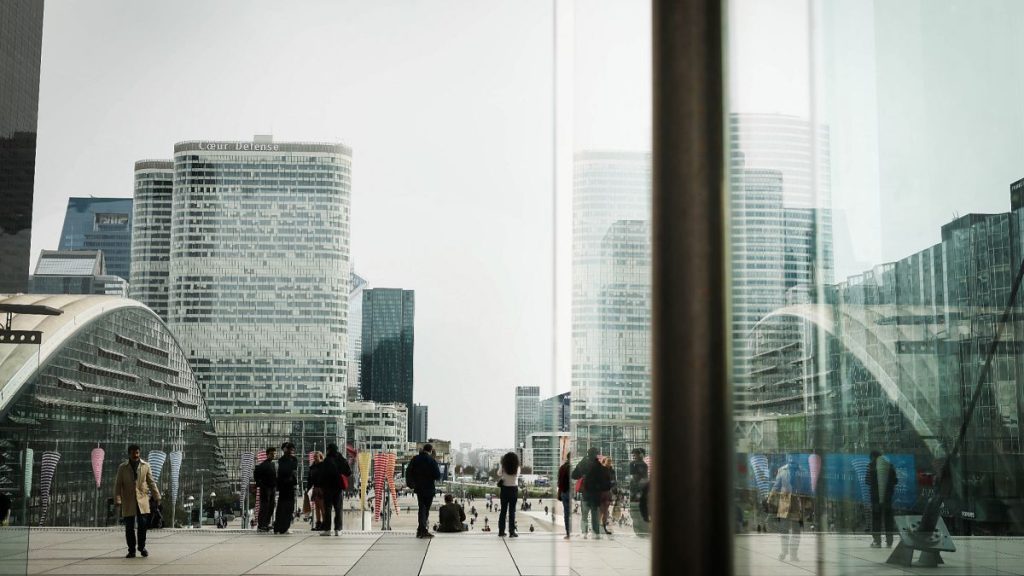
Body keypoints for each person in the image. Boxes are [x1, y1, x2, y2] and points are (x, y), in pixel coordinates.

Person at [114, 444, 160, 558]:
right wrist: (118, 499)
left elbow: (151, 482)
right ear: (129, 454)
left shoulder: (145, 466)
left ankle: (142, 547)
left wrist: (157, 496)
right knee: (129, 527)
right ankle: (131, 550)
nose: (136, 455)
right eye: (133, 453)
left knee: (143, 526)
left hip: (142, 499)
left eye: (137, 453)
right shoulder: (122, 467)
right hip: (128, 500)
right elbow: (118, 485)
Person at [767, 455, 811, 562]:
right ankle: (783, 551)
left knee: (796, 530)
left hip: (797, 503)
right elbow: (776, 486)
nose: (792, 458)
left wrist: (808, 503)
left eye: (794, 456)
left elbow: (807, 489)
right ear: (788, 457)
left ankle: (793, 554)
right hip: (784, 502)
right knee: (784, 529)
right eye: (790, 456)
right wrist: (770, 499)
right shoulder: (782, 470)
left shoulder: (802, 471)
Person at [572, 447, 609, 539]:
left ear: (588, 454)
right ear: (596, 454)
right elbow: (605, 482)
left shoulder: (583, 464)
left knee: (584, 515)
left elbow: (574, 475)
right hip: (596, 495)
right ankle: (595, 533)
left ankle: (584, 533)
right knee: (595, 514)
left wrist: (583, 474)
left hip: (586, 493)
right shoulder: (599, 466)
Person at [406, 443, 441, 539]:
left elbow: (408, 472)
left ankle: (420, 529)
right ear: (430, 450)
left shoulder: (415, 459)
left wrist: (411, 483)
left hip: (419, 487)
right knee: (425, 509)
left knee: (422, 508)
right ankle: (422, 530)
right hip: (429, 488)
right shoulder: (431, 461)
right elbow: (437, 475)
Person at [867, 450, 898, 548]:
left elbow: (867, 480)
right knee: (888, 519)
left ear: (872, 457)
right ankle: (889, 541)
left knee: (876, 518)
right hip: (888, 498)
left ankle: (877, 541)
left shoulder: (871, 466)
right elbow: (895, 480)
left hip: (876, 498)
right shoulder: (890, 465)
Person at [319, 443, 352, 536]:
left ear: (329, 450)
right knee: (338, 508)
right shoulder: (341, 459)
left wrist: (321, 486)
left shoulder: (327, 460)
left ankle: (327, 530)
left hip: (328, 488)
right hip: (338, 487)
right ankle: (338, 529)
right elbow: (349, 472)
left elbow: (322, 475)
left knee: (328, 508)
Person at [273, 442, 298, 534]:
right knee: (286, 507)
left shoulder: (283, 460)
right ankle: (283, 527)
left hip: (285, 485)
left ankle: (279, 527)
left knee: (282, 507)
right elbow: (292, 471)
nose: (291, 451)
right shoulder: (291, 459)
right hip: (288, 485)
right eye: (289, 449)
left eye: (292, 449)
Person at [253, 447, 277, 533]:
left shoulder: (273, 465)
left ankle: (265, 524)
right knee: (265, 506)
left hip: (272, 488)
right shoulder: (263, 465)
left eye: (274, 454)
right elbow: (256, 474)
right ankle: (261, 525)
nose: (273, 455)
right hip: (266, 488)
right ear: (267, 454)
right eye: (271, 454)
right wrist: (260, 484)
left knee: (271, 506)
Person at [497, 451, 520, 538]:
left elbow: (498, 473)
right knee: (512, 512)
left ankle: (501, 531)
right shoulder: (517, 468)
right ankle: (511, 531)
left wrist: (501, 465)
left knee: (503, 511)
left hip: (504, 490)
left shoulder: (503, 467)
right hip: (513, 489)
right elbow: (517, 475)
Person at [628, 448, 650, 535]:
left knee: (636, 508)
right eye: (634, 455)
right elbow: (640, 476)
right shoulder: (640, 464)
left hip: (638, 488)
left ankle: (639, 529)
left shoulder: (637, 464)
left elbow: (636, 476)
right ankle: (641, 529)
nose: (634, 456)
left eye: (635, 454)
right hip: (640, 488)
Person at [308, 451, 325, 531]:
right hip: (316, 488)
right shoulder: (312, 466)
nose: (314, 458)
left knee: (322, 507)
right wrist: (308, 488)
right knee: (317, 507)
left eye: (316, 456)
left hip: (321, 488)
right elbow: (310, 479)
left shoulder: (323, 466)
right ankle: (318, 523)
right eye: (314, 457)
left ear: (320, 457)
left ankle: (324, 524)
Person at [557, 452, 572, 540]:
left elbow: (559, 480)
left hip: (563, 492)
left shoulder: (562, 467)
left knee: (566, 513)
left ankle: (568, 532)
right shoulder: (571, 467)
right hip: (569, 492)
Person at [599, 456, 616, 534]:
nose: (609, 463)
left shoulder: (612, 471)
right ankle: (598, 527)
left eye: (610, 461)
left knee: (605, 511)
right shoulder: (601, 470)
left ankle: (603, 527)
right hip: (600, 492)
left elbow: (614, 482)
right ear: (604, 462)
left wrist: (614, 491)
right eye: (608, 461)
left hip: (607, 492)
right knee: (600, 510)